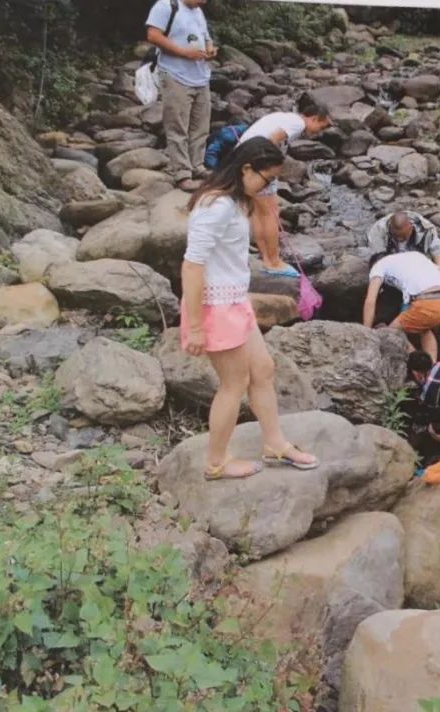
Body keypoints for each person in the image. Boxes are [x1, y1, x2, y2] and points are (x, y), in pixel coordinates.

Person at [179, 136, 319, 479]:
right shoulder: (216, 206)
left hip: (234, 300)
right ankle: (216, 463)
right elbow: (192, 266)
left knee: (264, 369)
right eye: (266, 179)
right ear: (245, 168)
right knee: (234, 384)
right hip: (215, 306)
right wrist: (195, 326)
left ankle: (275, 443)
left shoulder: (237, 201)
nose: (268, 187)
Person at [237, 95, 333, 277]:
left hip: (244, 159)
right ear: (312, 118)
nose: (320, 132)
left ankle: (265, 257)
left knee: (258, 213)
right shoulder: (297, 123)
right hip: (257, 162)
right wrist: (270, 170)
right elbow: (271, 140)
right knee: (272, 213)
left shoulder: (286, 117)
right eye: (321, 126)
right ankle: (273, 261)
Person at [146, 0, 217, 192]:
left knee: (200, 127)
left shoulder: (198, 11)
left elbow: (206, 37)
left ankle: (198, 166)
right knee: (177, 127)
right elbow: (153, 35)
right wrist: (184, 53)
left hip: (200, 76)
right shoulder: (166, 6)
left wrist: (210, 48)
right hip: (175, 75)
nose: (204, 2)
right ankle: (182, 174)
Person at [363, 251, 440, 360]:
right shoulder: (416, 256)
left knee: (391, 334)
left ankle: (419, 364)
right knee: (423, 327)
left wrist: (366, 333)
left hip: (428, 305)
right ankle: (432, 366)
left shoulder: (379, 265)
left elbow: (370, 300)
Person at [366, 211, 440, 270]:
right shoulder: (378, 231)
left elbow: (438, 249)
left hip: (416, 251)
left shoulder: (425, 228)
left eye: (403, 236)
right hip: (390, 256)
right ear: (390, 228)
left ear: (411, 228)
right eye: (396, 235)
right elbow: (378, 259)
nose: (399, 239)